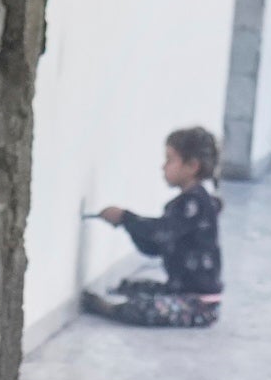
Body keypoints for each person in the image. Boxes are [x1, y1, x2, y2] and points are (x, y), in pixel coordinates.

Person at [83, 125, 227, 326]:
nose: (163, 167)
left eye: (169, 160)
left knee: (144, 309)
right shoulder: (186, 204)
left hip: (199, 303)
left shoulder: (194, 204)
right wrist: (126, 224)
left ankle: (108, 309)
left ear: (192, 166)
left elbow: (159, 233)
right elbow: (153, 248)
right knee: (134, 288)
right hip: (179, 290)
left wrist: (126, 218)